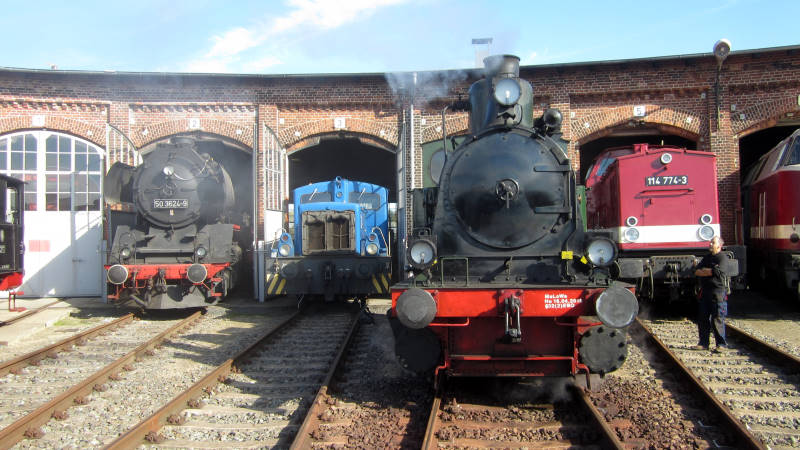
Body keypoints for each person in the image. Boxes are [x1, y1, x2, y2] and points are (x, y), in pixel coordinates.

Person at [692, 236, 730, 352]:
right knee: (703, 318)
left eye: (713, 243)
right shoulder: (707, 258)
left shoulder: (722, 258)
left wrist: (707, 271)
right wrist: (709, 271)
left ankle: (721, 344)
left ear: (719, 245)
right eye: (710, 242)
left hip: (718, 292)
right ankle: (703, 343)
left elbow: (719, 272)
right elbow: (696, 271)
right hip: (705, 292)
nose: (710, 244)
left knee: (717, 318)